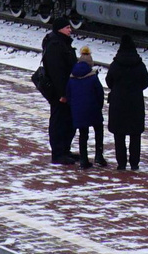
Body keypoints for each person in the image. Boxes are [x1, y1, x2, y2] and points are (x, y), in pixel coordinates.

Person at [35, 18, 76, 163]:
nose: (70, 30)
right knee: (59, 121)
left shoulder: (61, 43)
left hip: (67, 90)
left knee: (68, 121)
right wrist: (62, 94)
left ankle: (65, 150)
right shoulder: (55, 45)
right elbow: (57, 73)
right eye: (67, 27)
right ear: (59, 29)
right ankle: (58, 154)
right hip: (60, 93)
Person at [107, 36, 148, 170]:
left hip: (118, 103)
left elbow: (109, 81)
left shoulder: (116, 64)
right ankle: (134, 163)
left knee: (119, 135)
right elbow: (146, 81)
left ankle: (121, 163)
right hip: (135, 103)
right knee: (135, 134)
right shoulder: (139, 64)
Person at [66, 47, 105, 169]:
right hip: (93, 109)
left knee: (83, 134)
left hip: (78, 111)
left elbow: (68, 94)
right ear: (90, 64)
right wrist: (99, 106)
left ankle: (84, 160)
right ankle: (99, 156)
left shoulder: (72, 77)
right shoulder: (93, 77)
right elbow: (100, 94)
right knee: (98, 130)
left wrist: (74, 107)